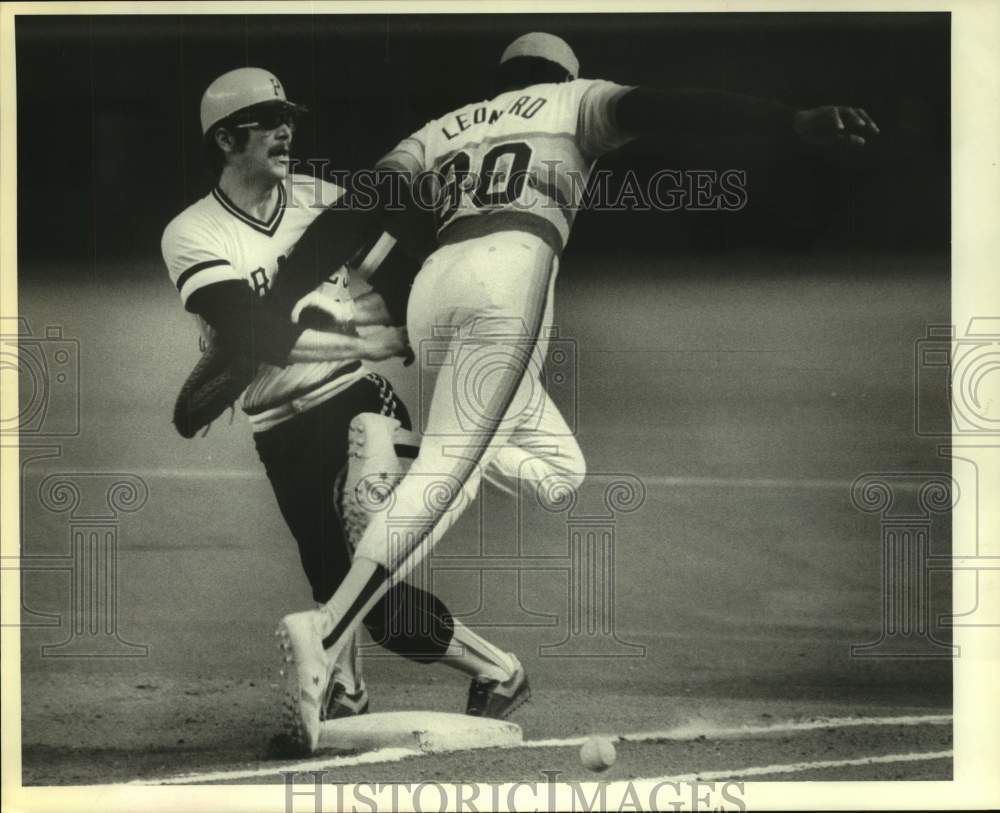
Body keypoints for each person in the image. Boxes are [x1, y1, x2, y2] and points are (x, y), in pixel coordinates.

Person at [276, 32, 881, 753]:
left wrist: (273, 302)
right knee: (451, 473)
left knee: (559, 469)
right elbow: (674, 108)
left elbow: (359, 207)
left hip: (438, 285)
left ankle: (394, 442)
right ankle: (329, 627)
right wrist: (790, 119)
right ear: (564, 72)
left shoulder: (441, 128)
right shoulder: (575, 99)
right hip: (512, 271)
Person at [161, 67, 531, 745]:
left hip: (361, 402)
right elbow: (252, 332)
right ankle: (470, 675)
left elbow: (397, 268)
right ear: (225, 139)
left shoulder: (326, 202)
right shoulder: (193, 234)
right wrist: (356, 330)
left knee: (362, 544)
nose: (285, 130)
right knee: (350, 594)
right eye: (267, 120)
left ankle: (430, 664)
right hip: (278, 430)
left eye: (289, 117)